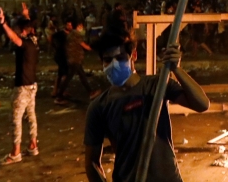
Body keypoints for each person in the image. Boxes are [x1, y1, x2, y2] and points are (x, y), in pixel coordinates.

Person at [84, 33, 210, 182]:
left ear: (133, 55)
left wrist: (176, 69)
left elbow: (202, 104)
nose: (114, 64)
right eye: (108, 60)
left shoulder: (157, 85)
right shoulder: (99, 106)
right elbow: (92, 162)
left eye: (120, 58)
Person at [0, 4, 40, 164]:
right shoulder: (34, 40)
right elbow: (28, 27)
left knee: (16, 118)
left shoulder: (25, 43)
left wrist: (3, 23)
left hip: (23, 86)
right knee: (30, 116)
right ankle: (33, 145)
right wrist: (26, 15)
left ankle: (15, 152)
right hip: (32, 85)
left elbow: (14, 38)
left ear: (22, 31)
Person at [56, 21, 99, 104]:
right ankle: (59, 96)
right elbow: (85, 46)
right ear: (78, 26)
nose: (82, 28)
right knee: (69, 78)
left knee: (82, 75)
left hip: (73, 58)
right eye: (81, 26)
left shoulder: (71, 34)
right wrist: (95, 47)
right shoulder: (76, 34)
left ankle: (90, 92)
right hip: (75, 59)